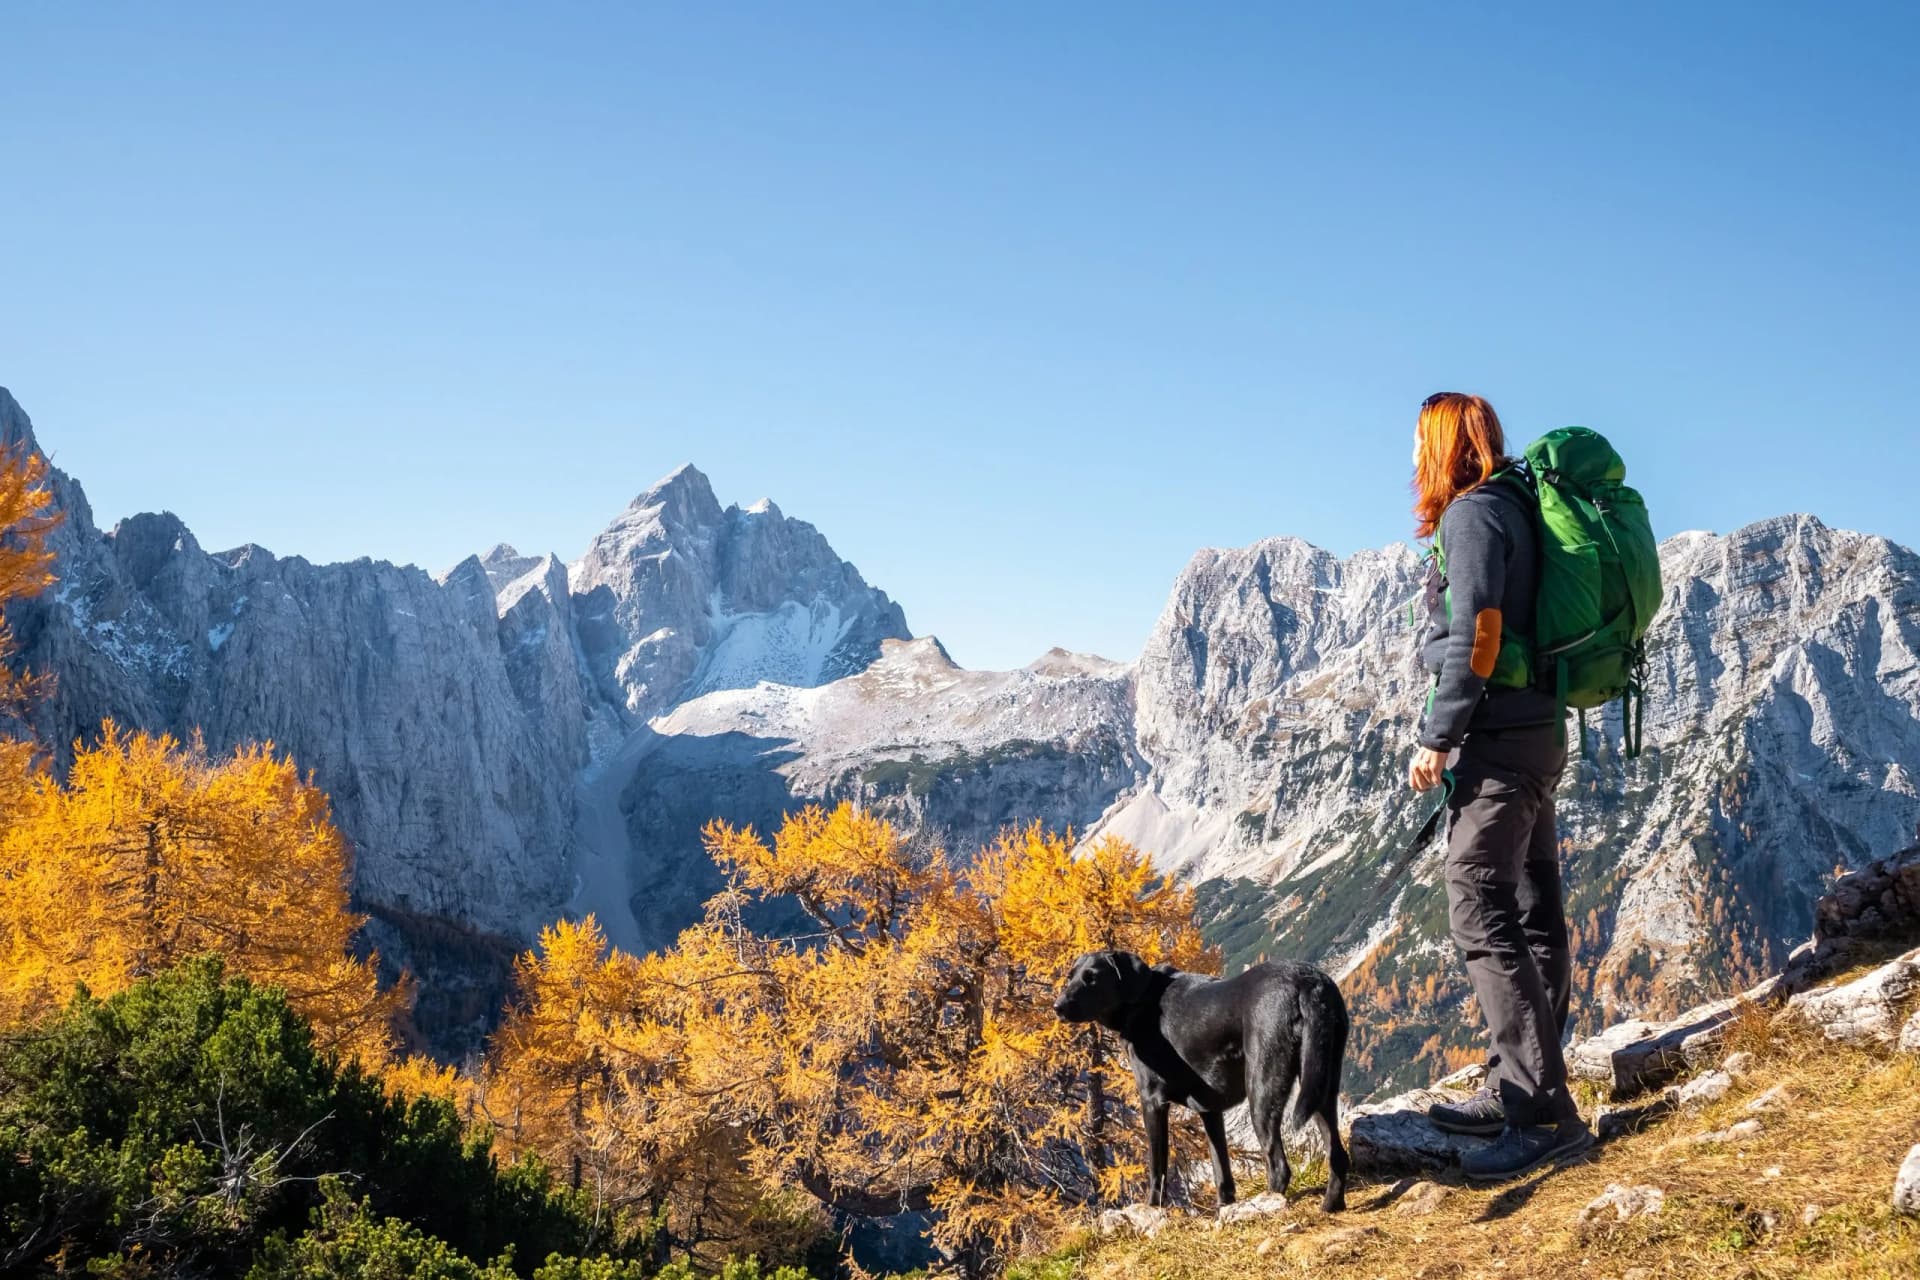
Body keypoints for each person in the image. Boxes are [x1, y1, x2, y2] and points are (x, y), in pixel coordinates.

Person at [1407, 391, 1594, 1181]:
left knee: (1478, 904)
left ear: (1442, 445)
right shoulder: (1520, 505)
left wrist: (1437, 737)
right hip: (1538, 733)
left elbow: (1478, 632)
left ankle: (1538, 1106)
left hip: (1496, 745)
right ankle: (1520, 1086)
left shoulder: (1475, 514)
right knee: (1533, 908)